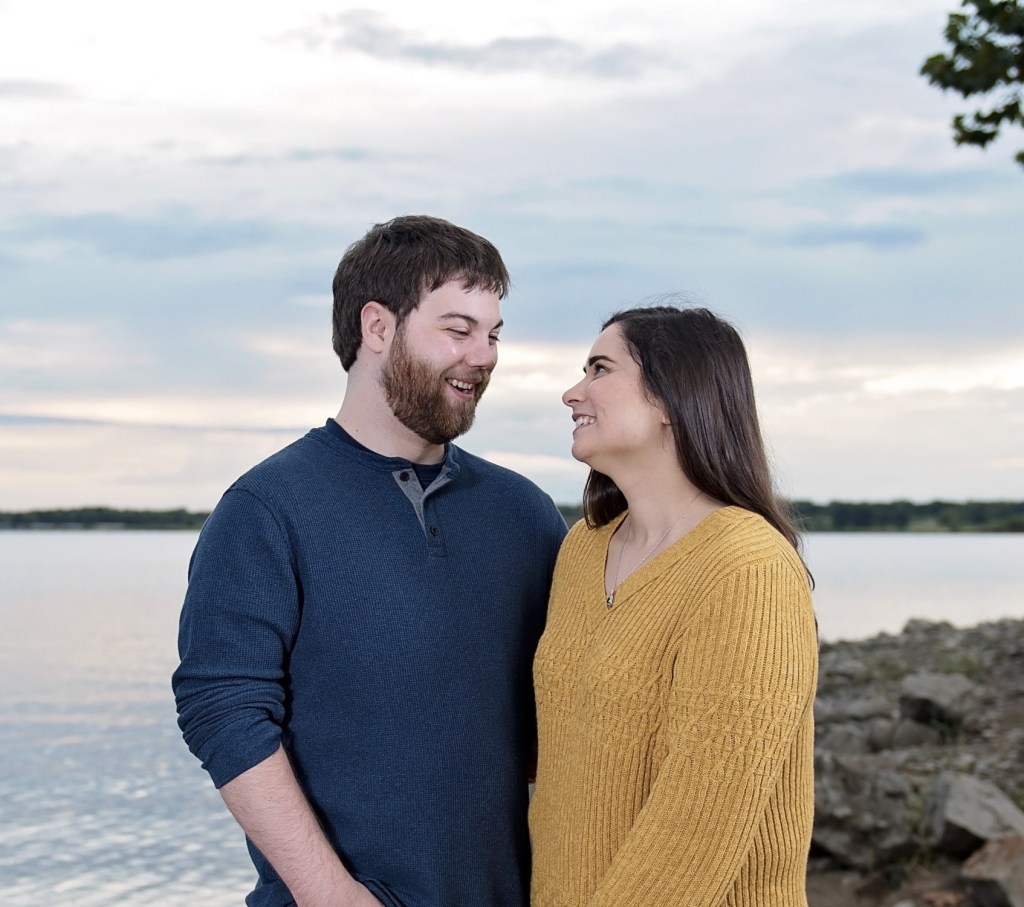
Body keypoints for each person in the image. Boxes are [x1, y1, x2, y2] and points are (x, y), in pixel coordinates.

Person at [172, 215, 567, 907]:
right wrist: (333, 895)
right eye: (459, 329)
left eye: (494, 334)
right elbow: (223, 710)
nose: (484, 356)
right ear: (378, 327)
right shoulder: (265, 508)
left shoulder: (525, 513)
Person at [529, 305, 818, 907]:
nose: (572, 393)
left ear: (669, 396)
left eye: (600, 369)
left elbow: (695, 833)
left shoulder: (748, 569)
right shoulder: (582, 549)